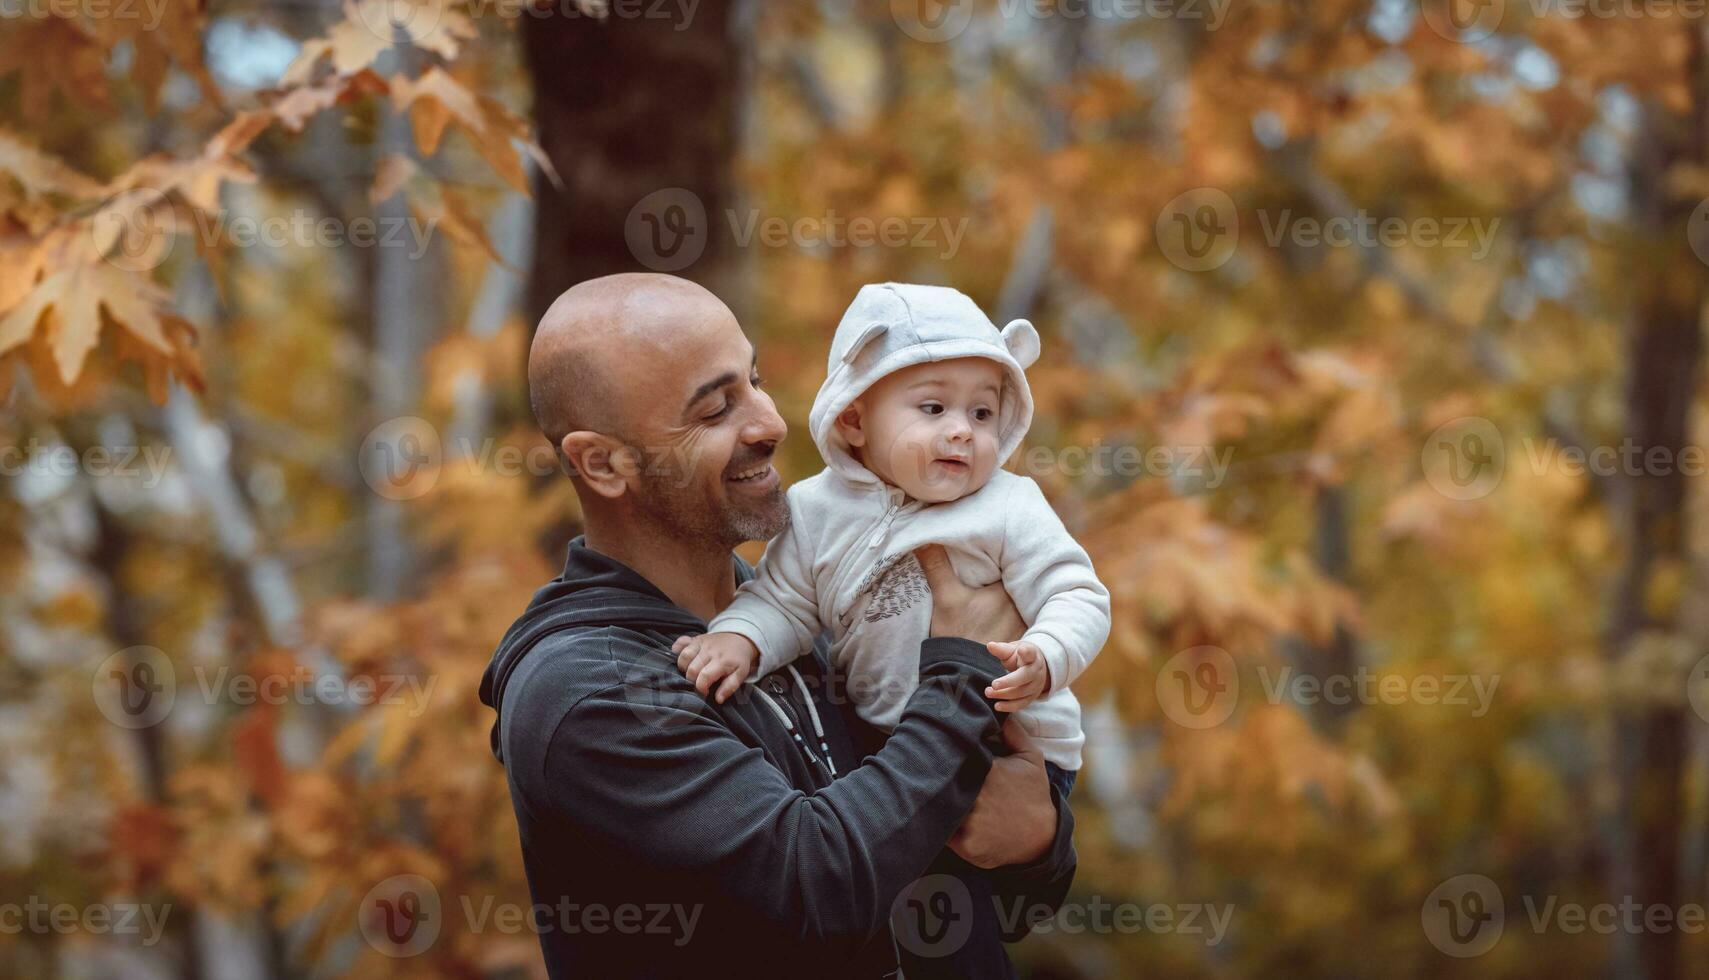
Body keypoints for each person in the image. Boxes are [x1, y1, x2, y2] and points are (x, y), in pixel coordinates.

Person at [478, 273, 1076, 978]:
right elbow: (815, 888)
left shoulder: (806, 615)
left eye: (754, 380)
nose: (769, 422)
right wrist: (961, 666)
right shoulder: (589, 693)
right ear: (603, 464)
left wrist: (1038, 842)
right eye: (713, 410)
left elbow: (982, 890)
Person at [673, 282, 1109, 977]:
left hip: (1010, 745)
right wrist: (739, 638)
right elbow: (786, 601)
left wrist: (1045, 652)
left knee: (964, 904)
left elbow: (1076, 593)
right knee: (911, 906)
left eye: (983, 411)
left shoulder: (1008, 506)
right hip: (885, 743)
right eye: (932, 408)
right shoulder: (815, 510)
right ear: (853, 421)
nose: (962, 429)